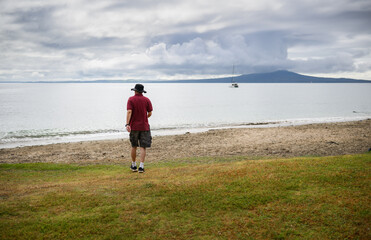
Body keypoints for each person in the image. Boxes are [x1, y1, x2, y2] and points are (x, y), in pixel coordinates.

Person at [126, 84, 153, 173]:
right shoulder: (147, 100)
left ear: (135, 90)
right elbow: (150, 113)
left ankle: (133, 165)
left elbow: (129, 111)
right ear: (142, 91)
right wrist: (144, 118)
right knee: (143, 147)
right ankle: (141, 166)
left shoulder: (131, 99)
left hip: (134, 126)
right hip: (144, 126)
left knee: (134, 146)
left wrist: (127, 124)